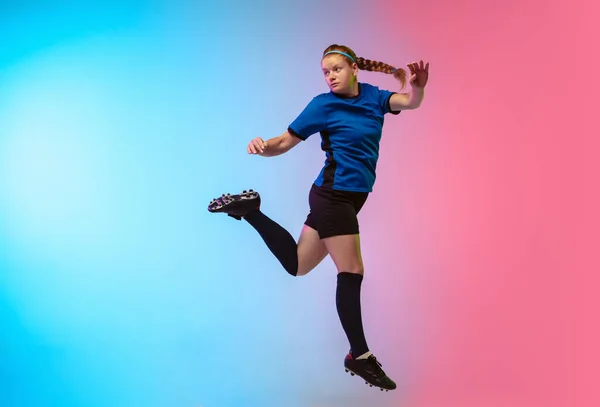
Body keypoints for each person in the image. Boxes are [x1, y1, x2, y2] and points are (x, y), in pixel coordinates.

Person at [208, 44, 429, 391]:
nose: (331, 77)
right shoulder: (323, 105)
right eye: (326, 72)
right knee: (352, 270)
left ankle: (250, 211)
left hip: (349, 199)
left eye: (337, 69)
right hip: (333, 196)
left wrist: (417, 86)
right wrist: (264, 146)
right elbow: (284, 140)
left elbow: (410, 102)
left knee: (298, 264)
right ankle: (359, 355)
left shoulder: (374, 97)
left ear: (354, 68)